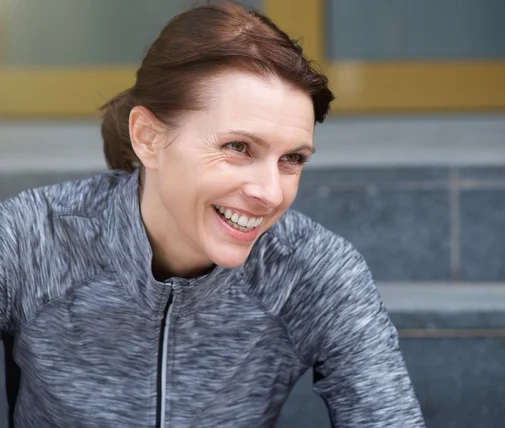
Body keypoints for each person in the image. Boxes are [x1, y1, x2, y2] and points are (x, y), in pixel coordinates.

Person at [0, 2, 425, 427]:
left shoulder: (313, 270)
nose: (269, 192)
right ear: (147, 137)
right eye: (238, 147)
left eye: (292, 158)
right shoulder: (27, 238)